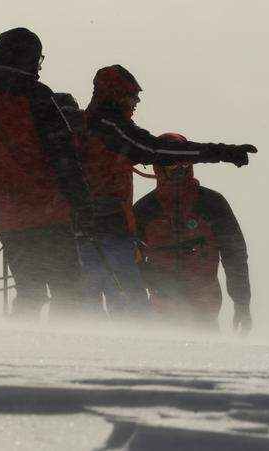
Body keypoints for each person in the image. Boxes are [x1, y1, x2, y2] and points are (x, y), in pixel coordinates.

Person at [79, 64, 257, 318]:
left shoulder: (91, 125)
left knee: (98, 305)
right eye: (132, 95)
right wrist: (222, 152)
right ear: (118, 95)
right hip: (106, 231)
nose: (137, 101)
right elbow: (155, 150)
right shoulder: (110, 127)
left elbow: (234, 254)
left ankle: (92, 346)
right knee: (130, 310)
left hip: (90, 230)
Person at [0, 28, 91, 320]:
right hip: (51, 212)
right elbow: (63, 155)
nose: (39, 68)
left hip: (10, 218)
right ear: (27, 57)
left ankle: (20, 354)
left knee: (30, 292)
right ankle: (64, 357)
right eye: (38, 59)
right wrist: (82, 204)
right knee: (70, 293)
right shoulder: (36, 95)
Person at [133, 134, 251, 333]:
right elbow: (127, 260)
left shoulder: (212, 203)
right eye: (172, 165)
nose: (180, 169)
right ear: (159, 167)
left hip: (205, 309)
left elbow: (235, 255)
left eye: (185, 163)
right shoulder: (145, 209)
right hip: (162, 310)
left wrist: (242, 304)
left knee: (206, 358)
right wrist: (155, 279)